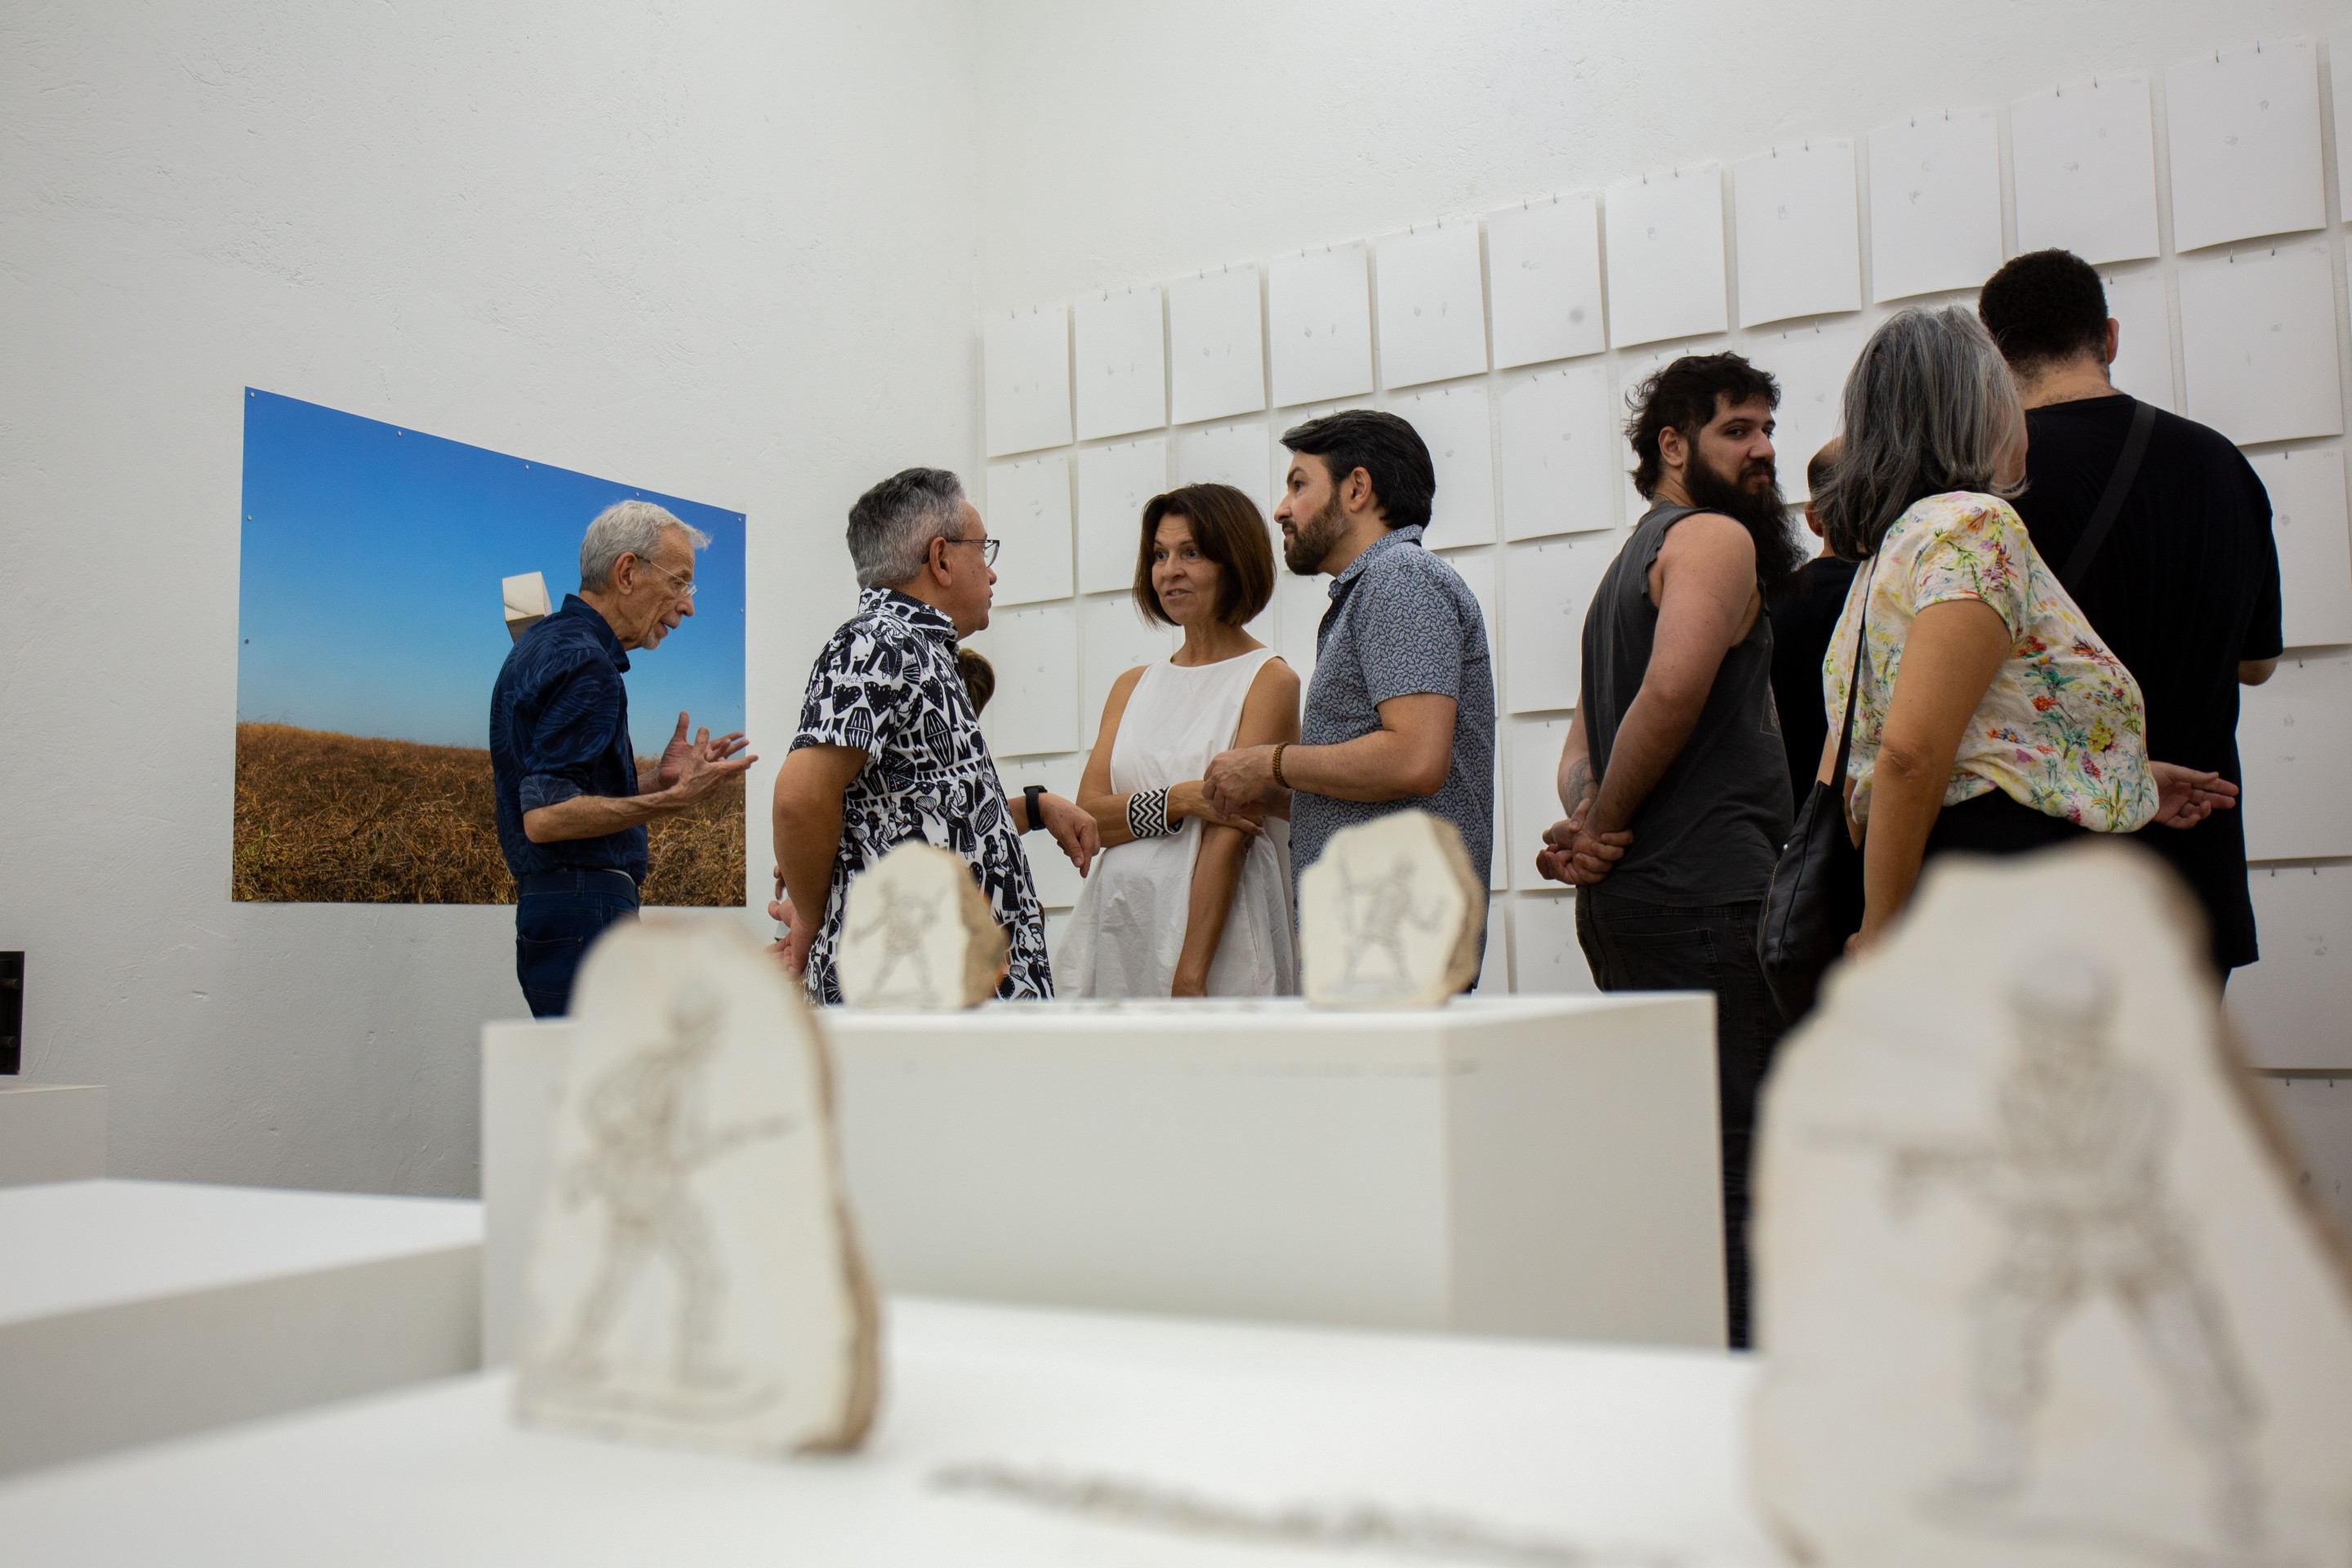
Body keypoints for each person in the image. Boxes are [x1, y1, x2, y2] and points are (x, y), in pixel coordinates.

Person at [1812, 306, 2235, 957]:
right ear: (1981, 404)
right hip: (2001, 895)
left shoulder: (1898, 544)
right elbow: (1909, 754)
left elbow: (1968, 742)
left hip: (1958, 882)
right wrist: (1882, 931)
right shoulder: (1977, 527)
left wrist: (2120, 776)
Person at [1538, 351, 1804, 1350]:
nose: (1764, 449)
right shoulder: (1712, 539)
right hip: (1709, 904)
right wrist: (1599, 824)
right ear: (1672, 445)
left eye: (1768, 428)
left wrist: (1586, 823)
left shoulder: (1628, 566)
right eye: (1739, 429)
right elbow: (1676, 690)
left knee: (1695, 1167)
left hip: (1639, 909)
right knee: (1745, 1169)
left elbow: (1578, 753)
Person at [1979, 249, 2284, 981]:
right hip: (2194, 863)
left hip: (2043, 872)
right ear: (2109, 338)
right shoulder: (2221, 463)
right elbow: (2257, 663)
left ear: (1992, 356)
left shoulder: (1987, 490)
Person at [770, 467, 1098, 1004]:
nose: (991, 573)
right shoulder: (878, 642)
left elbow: (927, 818)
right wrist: (812, 919)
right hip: (921, 995)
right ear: (941, 558)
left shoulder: (918, 654)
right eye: (981, 550)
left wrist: (1035, 808)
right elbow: (799, 798)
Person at [1202, 410, 1496, 969]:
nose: (1281, 509)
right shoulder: (1374, 590)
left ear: (1357, 488)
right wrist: (1281, 793)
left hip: (1398, 943)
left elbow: (1413, 758)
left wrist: (1272, 764)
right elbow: (1392, 780)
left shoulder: (1399, 580)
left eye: (1298, 485)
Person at [490, 500, 752, 1018]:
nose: (688, 605)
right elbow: (545, 818)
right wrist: (675, 801)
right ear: (628, 572)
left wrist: (653, 782)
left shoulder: (547, 645)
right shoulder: (588, 663)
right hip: (585, 913)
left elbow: (561, 791)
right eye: (680, 582)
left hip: (559, 912)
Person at [1059, 483, 1302, 997]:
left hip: (1220, 937)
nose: (1170, 570)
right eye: (1160, 555)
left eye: (1191, 553)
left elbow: (1232, 833)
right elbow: (1088, 819)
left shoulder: (1268, 680)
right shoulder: (1131, 686)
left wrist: (1191, 972)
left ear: (1233, 561)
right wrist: (1184, 800)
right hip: (1123, 925)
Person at [1767, 438, 1859, 812]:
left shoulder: (1768, 603)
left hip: (1795, 821)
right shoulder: (1895, 596)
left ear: (1814, 518)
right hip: (1868, 816)